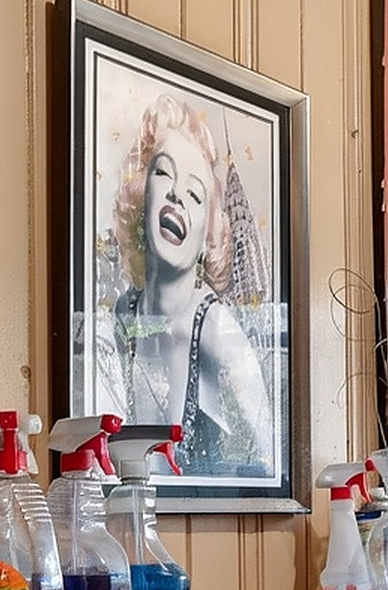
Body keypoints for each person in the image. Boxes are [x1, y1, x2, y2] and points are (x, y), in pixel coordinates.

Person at [109, 94, 276, 479]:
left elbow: (270, 459)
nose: (176, 196)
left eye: (196, 194)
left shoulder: (217, 329)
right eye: (164, 173)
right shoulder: (122, 316)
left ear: (208, 235)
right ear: (141, 196)